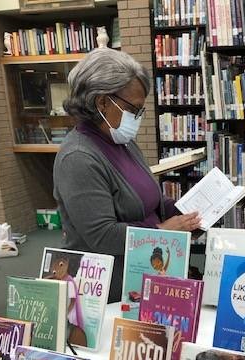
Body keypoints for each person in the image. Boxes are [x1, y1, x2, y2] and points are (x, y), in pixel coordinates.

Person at [54, 48, 201, 303]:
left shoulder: (122, 142)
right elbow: (102, 235)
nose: (137, 118)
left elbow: (150, 199)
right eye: (134, 109)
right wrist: (162, 230)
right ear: (101, 102)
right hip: (110, 288)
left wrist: (185, 210)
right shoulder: (77, 157)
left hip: (147, 269)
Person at [45, 252, 87, 346]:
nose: (57, 271)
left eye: (60, 265)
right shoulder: (60, 281)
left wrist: (66, 312)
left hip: (69, 313)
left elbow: (72, 300)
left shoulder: (70, 283)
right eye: (54, 270)